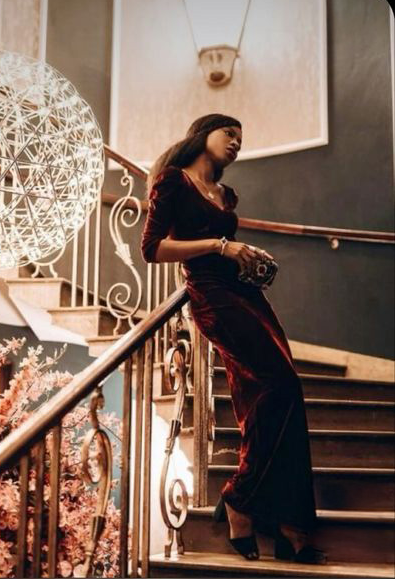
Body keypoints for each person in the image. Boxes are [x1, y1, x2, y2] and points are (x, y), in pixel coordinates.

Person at [140, 113, 327, 564]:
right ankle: (241, 498)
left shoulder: (225, 194)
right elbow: (152, 249)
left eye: (241, 139)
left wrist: (243, 256)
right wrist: (219, 246)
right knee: (278, 384)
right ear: (203, 134)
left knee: (279, 391)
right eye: (229, 134)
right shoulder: (173, 180)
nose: (237, 143)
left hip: (244, 292)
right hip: (211, 294)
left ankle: (287, 522)